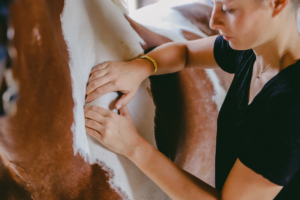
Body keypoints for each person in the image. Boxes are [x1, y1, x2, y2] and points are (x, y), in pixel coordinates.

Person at [83, 0, 300, 199]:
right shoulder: (253, 50)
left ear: (277, 3)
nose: (214, 21)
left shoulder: (290, 108)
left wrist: (134, 146)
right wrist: (141, 67)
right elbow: (186, 53)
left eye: (229, 9)